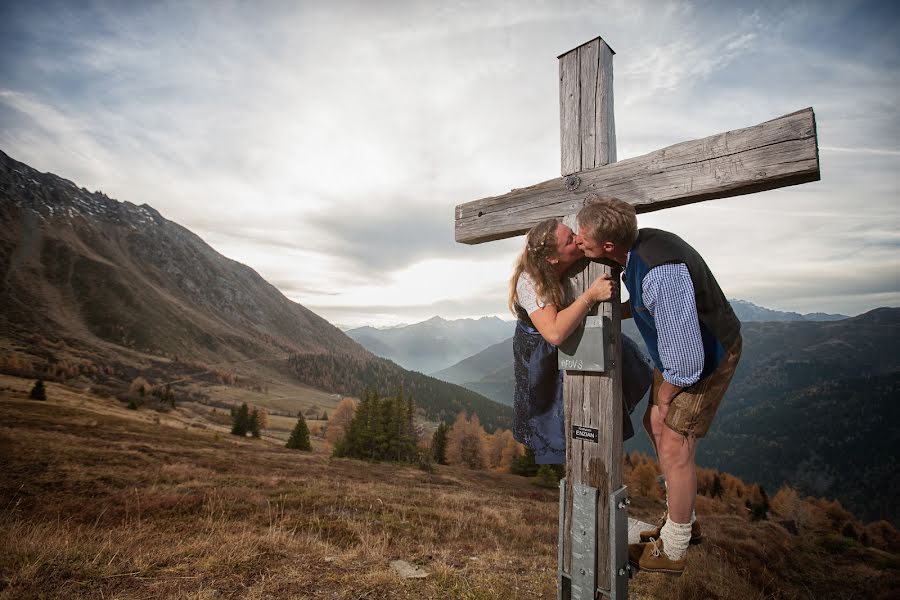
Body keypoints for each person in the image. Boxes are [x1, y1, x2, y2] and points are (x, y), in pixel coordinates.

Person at [576, 198, 742, 575]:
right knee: (655, 425)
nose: (578, 240)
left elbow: (687, 364)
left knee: (673, 441)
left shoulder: (658, 273)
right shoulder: (636, 251)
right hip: (680, 354)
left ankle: (675, 547)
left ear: (607, 247)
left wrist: (666, 394)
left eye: (584, 238)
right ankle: (684, 518)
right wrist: (604, 307)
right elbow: (651, 307)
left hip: (706, 356)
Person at [509, 218, 650, 464]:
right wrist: (591, 295)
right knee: (550, 410)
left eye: (573, 233)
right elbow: (553, 333)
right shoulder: (530, 281)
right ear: (553, 258)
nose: (578, 239)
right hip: (536, 350)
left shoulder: (571, 261)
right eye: (569, 240)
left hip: (567, 335)